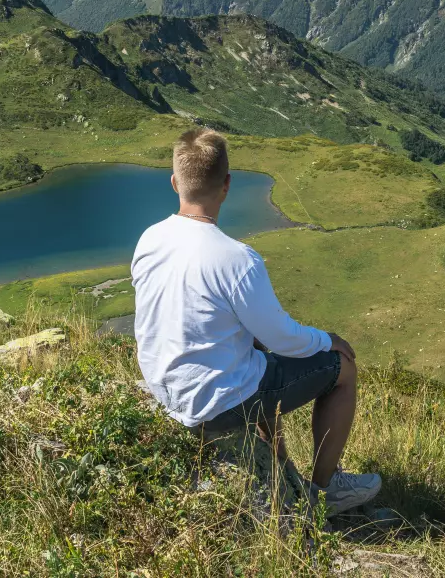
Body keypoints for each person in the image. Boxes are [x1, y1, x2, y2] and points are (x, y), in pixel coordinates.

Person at [132, 127, 381, 513]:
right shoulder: (235, 258)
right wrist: (328, 339)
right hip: (214, 406)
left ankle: (281, 466)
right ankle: (323, 492)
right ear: (227, 185)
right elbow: (284, 339)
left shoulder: (149, 238)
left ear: (174, 182)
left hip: (166, 392)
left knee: (256, 351)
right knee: (342, 369)